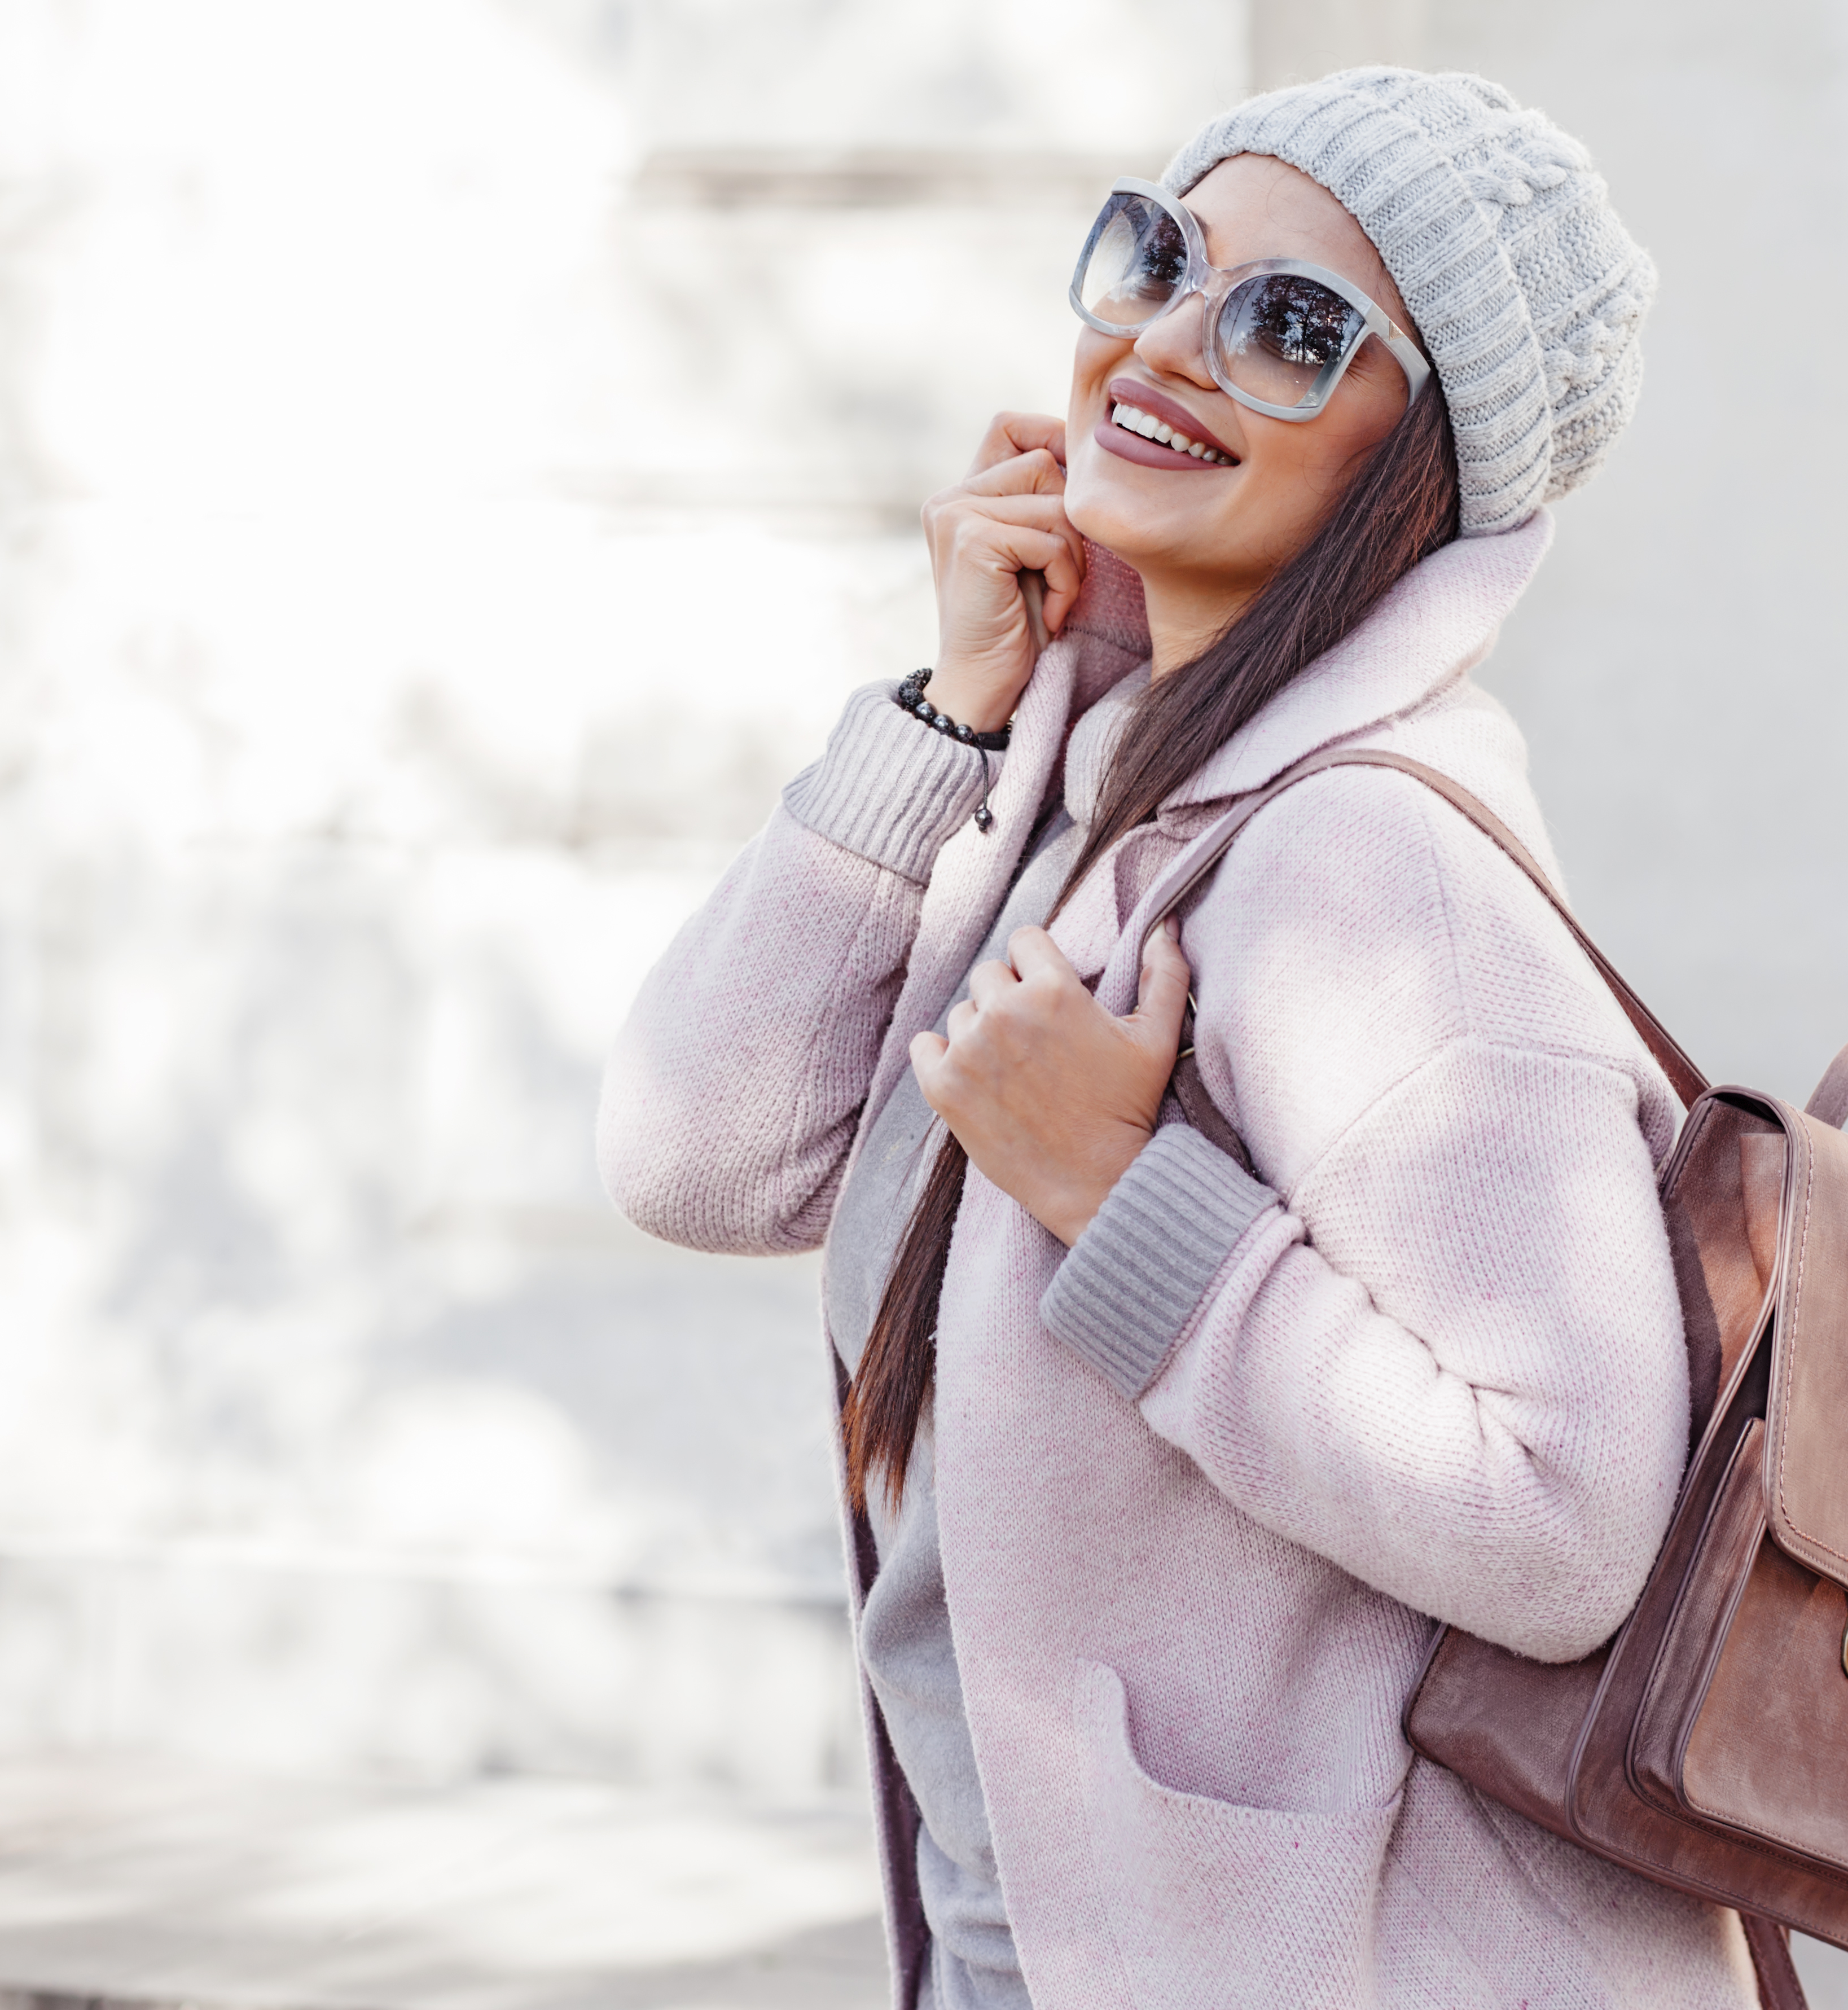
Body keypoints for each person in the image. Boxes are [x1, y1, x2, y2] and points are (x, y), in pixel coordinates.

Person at [599, 67, 1763, 2009]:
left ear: (1421, 466)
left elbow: (1568, 1520)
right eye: (1160, 258)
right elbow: (693, 1154)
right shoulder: (1083, 794)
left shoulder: (1373, 863)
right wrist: (949, 716)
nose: (1165, 344)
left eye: (1293, 327)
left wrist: (1121, 1199)